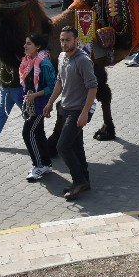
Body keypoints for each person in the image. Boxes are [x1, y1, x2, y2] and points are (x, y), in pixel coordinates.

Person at [44, 26, 98, 201]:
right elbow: (60, 81)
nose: (64, 43)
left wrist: (84, 113)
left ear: (76, 40)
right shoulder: (61, 57)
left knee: (62, 146)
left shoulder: (82, 60)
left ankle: (78, 181)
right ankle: (85, 180)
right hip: (65, 108)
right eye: (62, 40)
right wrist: (50, 102)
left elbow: (92, 87)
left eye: (67, 40)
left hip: (78, 111)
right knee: (76, 146)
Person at [19, 33, 56, 182]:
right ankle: (46, 164)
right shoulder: (28, 61)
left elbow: (52, 87)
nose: (25, 46)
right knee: (39, 132)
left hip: (40, 105)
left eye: (29, 44)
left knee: (27, 133)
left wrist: (35, 95)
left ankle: (38, 165)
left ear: (38, 46)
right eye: (25, 43)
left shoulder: (44, 64)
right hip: (31, 104)